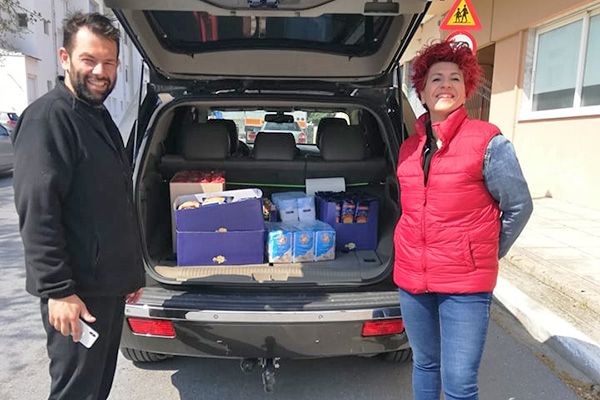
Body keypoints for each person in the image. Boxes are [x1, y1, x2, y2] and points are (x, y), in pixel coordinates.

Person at [12, 12, 145, 400]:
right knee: (76, 393)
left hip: (106, 287)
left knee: (95, 389)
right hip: (77, 294)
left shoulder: (96, 115)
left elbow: (114, 203)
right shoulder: (49, 119)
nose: (100, 71)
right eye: (89, 60)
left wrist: (130, 273)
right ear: (65, 58)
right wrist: (58, 291)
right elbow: (38, 212)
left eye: (109, 62)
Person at [394, 41, 533, 400]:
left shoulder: (488, 142)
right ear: (422, 91)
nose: (445, 84)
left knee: (459, 383)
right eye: (436, 78)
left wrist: (483, 252)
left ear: (467, 88)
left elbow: (519, 206)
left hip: (465, 284)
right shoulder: (409, 148)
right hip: (413, 278)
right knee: (425, 365)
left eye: (455, 78)